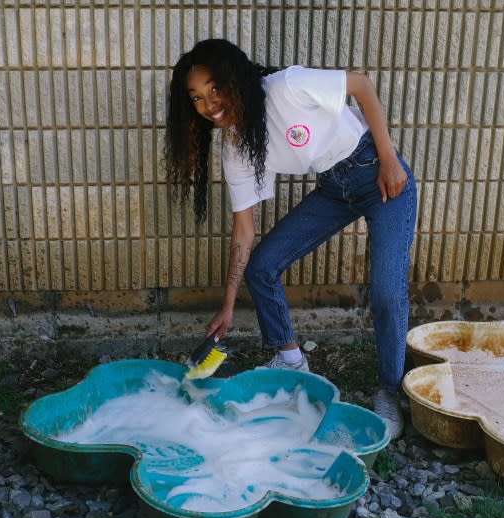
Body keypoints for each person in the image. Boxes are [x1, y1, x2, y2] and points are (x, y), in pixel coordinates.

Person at [164, 39, 417, 439]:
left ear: (236, 79)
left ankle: (390, 389)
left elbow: (362, 86)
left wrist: (389, 158)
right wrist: (228, 306)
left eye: (215, 89)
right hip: (335, 189)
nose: (208, 105)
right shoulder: (235, 147)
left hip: (380, 175)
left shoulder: (287, 87)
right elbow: (243, 230)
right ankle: (290, 358)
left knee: (387, 291)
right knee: (262, 266)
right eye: (196, 98)